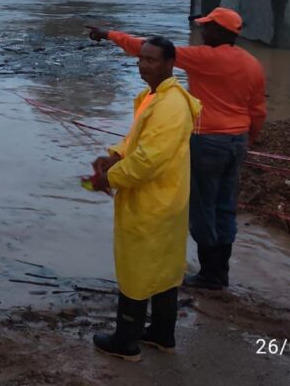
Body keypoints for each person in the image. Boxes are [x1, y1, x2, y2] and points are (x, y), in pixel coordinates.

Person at [86, 7, 266, 290]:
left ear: (220, 32)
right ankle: (220, 270)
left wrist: (108, 34)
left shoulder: (204, 58)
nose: (202, 31)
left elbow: (147, 48)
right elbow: (258, 109)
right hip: (238, 139)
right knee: (225, 204)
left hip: (207, 140)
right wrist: (249, 139)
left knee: (202, 205)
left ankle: (209, 274)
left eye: (207, 27)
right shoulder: (253, 64)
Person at [88, 36, 201, 361]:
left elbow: (148, 161)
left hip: (153, 201)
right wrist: (113, 155)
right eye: (141, 59)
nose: (144, 65)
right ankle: (163, 334)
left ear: (170, 64)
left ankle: (126, 341)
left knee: (135, 269)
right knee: (165, 265)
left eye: (152, 60)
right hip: (166, 198)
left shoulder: (171, 106)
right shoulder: (155, 98)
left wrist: (108, 178)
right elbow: (136, 139)